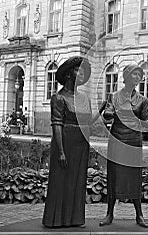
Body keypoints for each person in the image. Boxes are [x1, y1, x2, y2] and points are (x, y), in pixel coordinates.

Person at [99, 64, 148, 228]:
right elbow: (107, 113)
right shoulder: (114, 96)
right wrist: (109, 113)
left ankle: (139, 215)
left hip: (134, 141)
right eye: (134, 74)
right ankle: (109, 214)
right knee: (113, 177)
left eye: (139, 75)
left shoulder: (142, 100)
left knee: (135, 177)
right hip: (116, 140)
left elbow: (145, 120)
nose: (137, 78)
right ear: (126, 76)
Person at [42, 56, 105, 228]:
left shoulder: (84, 98)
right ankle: (56, 219)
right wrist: (61, 151)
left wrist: (100, 110)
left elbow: (88, 123)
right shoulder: (58, 98)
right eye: (79, 70)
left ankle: (75, 218)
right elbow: (57, 125)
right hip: (65, 142)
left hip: (81, 143)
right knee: (61, 179)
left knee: (77, 181)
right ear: (69, 74)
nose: (82, 74)